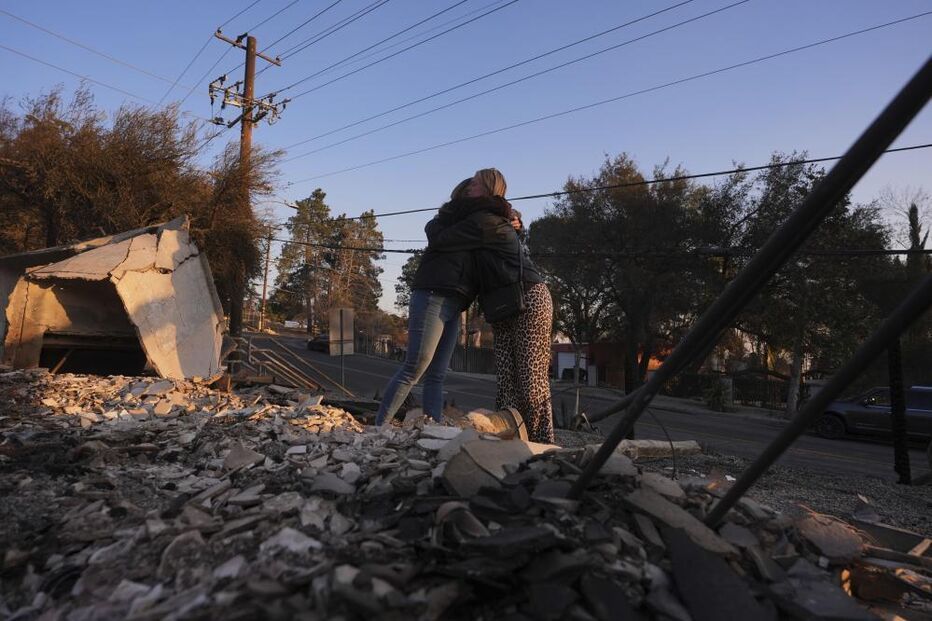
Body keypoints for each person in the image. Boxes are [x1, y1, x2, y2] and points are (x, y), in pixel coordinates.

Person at [427, 169, 555, 443]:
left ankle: (541, 443)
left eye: (474, 182)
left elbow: (440, 237)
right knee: (507, 382)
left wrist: (440, 219)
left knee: (531, 383)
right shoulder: (487, 217)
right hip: (502, 303)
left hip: (529, 297)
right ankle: (514, 440)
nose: (469, 185)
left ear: (486, 188)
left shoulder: (484, 221)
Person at [375, 177, 503, 426]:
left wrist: (514, 224)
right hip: (433, 294)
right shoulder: (450, 219)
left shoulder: (486, 221)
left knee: (437, 374)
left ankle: (432, 431)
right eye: (467, 188)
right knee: (415, 367)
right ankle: (378, 428)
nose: (470, 190)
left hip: (457, 303)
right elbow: (434, 233)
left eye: (475, 186)